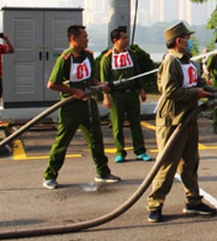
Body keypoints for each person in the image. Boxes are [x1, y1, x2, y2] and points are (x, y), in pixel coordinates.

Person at [147, 21, 217, 223]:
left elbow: (200, 84)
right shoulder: (171, 61)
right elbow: (169, 91)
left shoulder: (188, 61)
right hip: (172, 121)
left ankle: (193, 201)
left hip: (188, 119)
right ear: (178, 41)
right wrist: (195, 93)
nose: (190, 42)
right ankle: (155, 204)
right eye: (187, 39)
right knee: (167, 165)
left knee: (190, 163)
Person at [42, 25, 120, 189]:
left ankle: (103, 172)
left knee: (96, 139)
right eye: (84, 36)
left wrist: (101, 85)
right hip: (71, 106)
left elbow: (91, 78)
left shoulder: (88, 56)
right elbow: (52, 84)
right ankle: (50, 176)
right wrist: (74, 91)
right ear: (73, 39)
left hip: (89, 104)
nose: (87, 39)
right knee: (62, 141)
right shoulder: (65, 58)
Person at [100, 28, 152, 163]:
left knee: (136, 123)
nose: (126, 40)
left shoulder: (132, 55)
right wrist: (106, 96)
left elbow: (137, 74)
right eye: (123, 38)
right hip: (117, 95)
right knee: (117, 125)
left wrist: (141, 90)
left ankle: (140, 151)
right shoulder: (107, 58)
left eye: (127, 38)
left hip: (132, 94)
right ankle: (120, 152)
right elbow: (104, 79)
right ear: (115, 40)